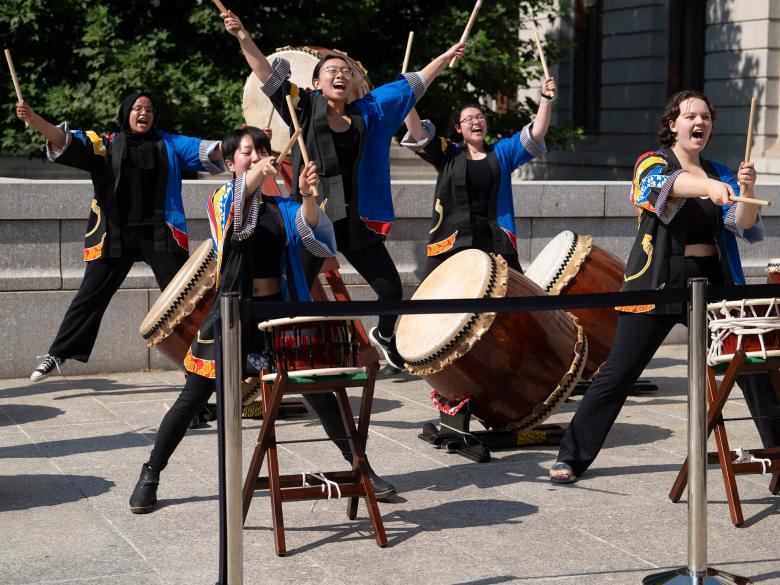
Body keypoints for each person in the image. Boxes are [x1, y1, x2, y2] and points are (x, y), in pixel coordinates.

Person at [549, 90, 780, 484]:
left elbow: (740, 223)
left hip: (714, 282)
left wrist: (748, 190)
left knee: (750, 369)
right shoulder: (652, 163)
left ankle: (778, 455)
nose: (700, 123)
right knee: (618, 374)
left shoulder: (720, 170)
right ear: (672, 124)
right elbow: (660, 188)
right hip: (658, 281)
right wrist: (706, 187)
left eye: (706, 117)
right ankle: (571, 457)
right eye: (691, 115)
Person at [222, 10, 465, 369]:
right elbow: (264, 72)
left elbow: (411, 85)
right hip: (313, 217)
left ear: (353, 84)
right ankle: (265, 355)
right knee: (293, 294)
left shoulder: (370, 111)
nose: (340, 75)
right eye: (331, 71)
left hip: (356, 221)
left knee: (391, 291)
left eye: (345, 71)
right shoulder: (302, 105)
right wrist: (243, 36)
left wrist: (445, 58)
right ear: (316, 82)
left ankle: (384, 335)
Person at [15, 93, 225, 381]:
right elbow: (64, 139)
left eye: (149, 109)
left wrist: (247, 142)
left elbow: (213, 151)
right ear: (126, 112)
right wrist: (34, 119)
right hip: (114, 235)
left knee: (185, 304)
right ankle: (59, 351)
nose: (144, 113)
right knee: (89, 296)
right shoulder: (106, 143)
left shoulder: (170, 143)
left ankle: (201, 373)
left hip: (160, 233)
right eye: (138, 108)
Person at [400, 78, 557, 275]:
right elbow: (417, 132)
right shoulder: (448, 153)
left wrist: (545, 99)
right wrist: (404, 94)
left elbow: (536, 133)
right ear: (459, 128)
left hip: (496, 238)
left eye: (480, 117)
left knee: (515, 297)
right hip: (452, 238)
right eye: (469, 119)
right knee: (430, 299)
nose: (476, 121)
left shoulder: (502, 153)